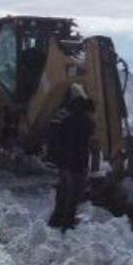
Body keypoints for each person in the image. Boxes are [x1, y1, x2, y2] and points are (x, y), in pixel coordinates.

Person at [47, 83, 95, 232]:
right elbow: (91, 138)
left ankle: (55, 219)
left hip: (64, 163)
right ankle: (67, 223)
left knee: (62, 191)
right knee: (73, 194)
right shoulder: (87, 123)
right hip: (78, 164)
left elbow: (56, 141)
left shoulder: (64, 121)